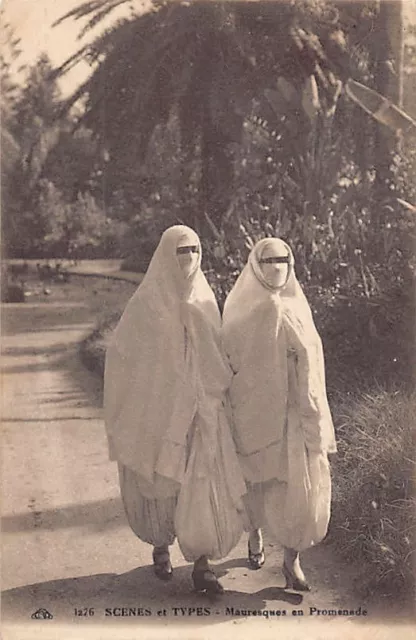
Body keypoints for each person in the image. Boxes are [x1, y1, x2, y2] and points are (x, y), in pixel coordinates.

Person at [104, 225, 245, 595]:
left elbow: (217, 347)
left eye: (195, 251)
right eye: (182, 251)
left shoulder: (205, 299)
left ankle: (202, 564)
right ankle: (161, 544)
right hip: (161, 410)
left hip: (201, 409)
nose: (189, 259)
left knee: (202, 478)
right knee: (162, 482)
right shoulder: (147, 303)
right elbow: (123, 355)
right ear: (166, 253)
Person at [222, 237, 336, 591]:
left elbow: (315, 362)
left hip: (294, 412)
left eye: (283, 258)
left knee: (298, 487)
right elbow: (231, 362)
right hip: (256, 411)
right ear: (256, 264)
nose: (276, 266)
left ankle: (292, 560)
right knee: (257, 478)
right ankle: (254, 533)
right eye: (268, 259)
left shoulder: (299, 307)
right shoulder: (241, 309)